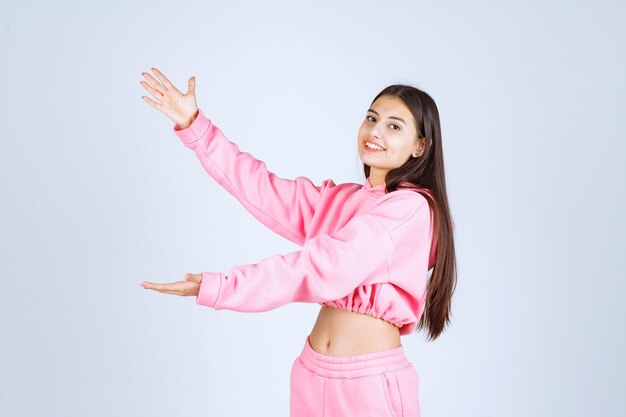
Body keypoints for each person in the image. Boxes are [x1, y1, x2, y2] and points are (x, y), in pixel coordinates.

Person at [139, 67, 457, 417]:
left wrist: (222, 287)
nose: (375, 131)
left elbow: (324, 267)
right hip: (310, 374)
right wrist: (196, 126)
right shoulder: (341, 200)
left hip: (368, 385)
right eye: (371, 118)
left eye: (394, 126)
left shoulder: (411, 209)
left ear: (420, 146)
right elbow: (262, 189)